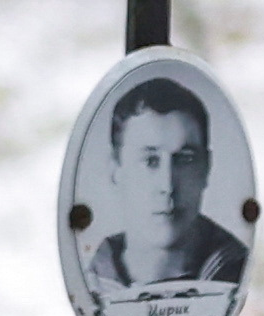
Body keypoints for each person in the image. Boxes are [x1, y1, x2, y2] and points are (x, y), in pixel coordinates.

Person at [81, 74, 247, 289]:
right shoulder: (89, 281)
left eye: (185, 159)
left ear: (207, 168)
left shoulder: (241, 275)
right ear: (116, 170)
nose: (167, 186)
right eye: (150, 161)